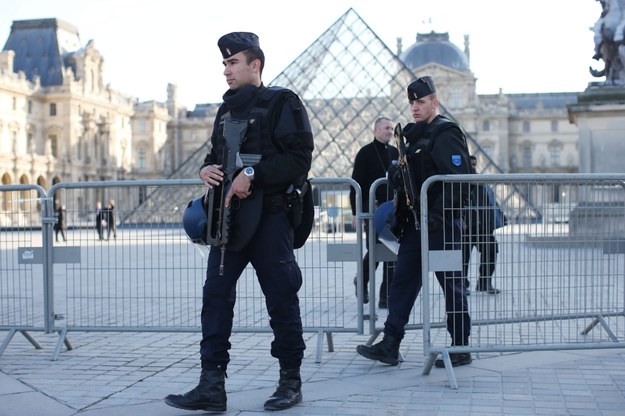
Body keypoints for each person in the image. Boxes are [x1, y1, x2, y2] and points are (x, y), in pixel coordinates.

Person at [164, 32, 314, 413]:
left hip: (270, 217)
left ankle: (290, 380)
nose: (227, 71)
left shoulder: (284, 102)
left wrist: (252, 172)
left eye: (233, 63)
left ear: (255, 65)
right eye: (225, 64)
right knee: (215, 297)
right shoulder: (225, 111)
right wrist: (206, 169)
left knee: (281, 296)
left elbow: (299, 159)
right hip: (227, 218)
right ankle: (211, 385)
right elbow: (217, 154)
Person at [356, 76, 473, 369]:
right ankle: (390, 344)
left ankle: (460, 346)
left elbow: (458, 182)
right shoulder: (413, 137)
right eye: (411, 102)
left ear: (434, 102)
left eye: (421, 102)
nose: (415, 107)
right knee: (401, 284)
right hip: (414, 225)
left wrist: (438, 213)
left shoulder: (445, 133)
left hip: (441, 225)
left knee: (452, 287)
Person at [349, 117, 398, 308]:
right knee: (376, 250)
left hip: (394, 211)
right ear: (376, 130)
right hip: (373, 210)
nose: (390, 131)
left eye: (392, 128)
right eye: (386, 128)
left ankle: (386, 296)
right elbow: (355, 185)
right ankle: (362, 280)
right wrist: (356, 212)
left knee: (392, 250)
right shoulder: (365, 153)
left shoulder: (396, 152)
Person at [462, 155, 504, 294]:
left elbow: (490, 203)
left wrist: (492, 224)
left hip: (483, 227)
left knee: (491, 250)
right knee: (462, 257)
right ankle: (462, 284)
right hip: (464, 228)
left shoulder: (481, 182)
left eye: (474, 164)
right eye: (470, 164)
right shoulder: (459, 181)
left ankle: (485, 282)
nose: (473, 167)